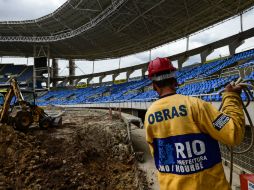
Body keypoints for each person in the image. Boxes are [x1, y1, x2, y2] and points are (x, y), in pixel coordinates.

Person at [144, 57, 245, 190]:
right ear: (175, 81)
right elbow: (234, 134)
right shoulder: (197, 105)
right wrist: (231, 98)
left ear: (154, 85)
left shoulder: (149, 115)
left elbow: (157, 154)